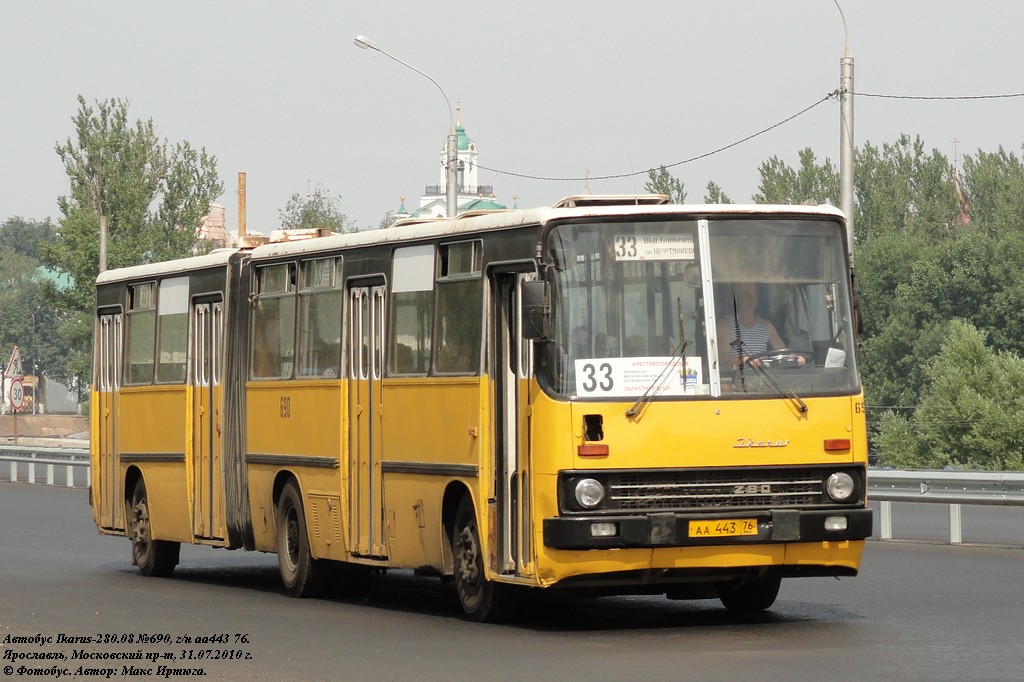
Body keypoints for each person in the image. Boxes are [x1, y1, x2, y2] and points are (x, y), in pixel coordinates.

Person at [717, 283, 804, 370]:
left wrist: (795, 358)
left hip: (764, 380)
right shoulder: (725, 325)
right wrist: (745, 359)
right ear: (738, 298)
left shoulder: (766, 325)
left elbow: (782, 351)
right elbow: (721, 358)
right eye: (746, 295)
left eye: (753, 296)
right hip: (738, 380)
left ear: (757, 299)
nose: (750, 299)